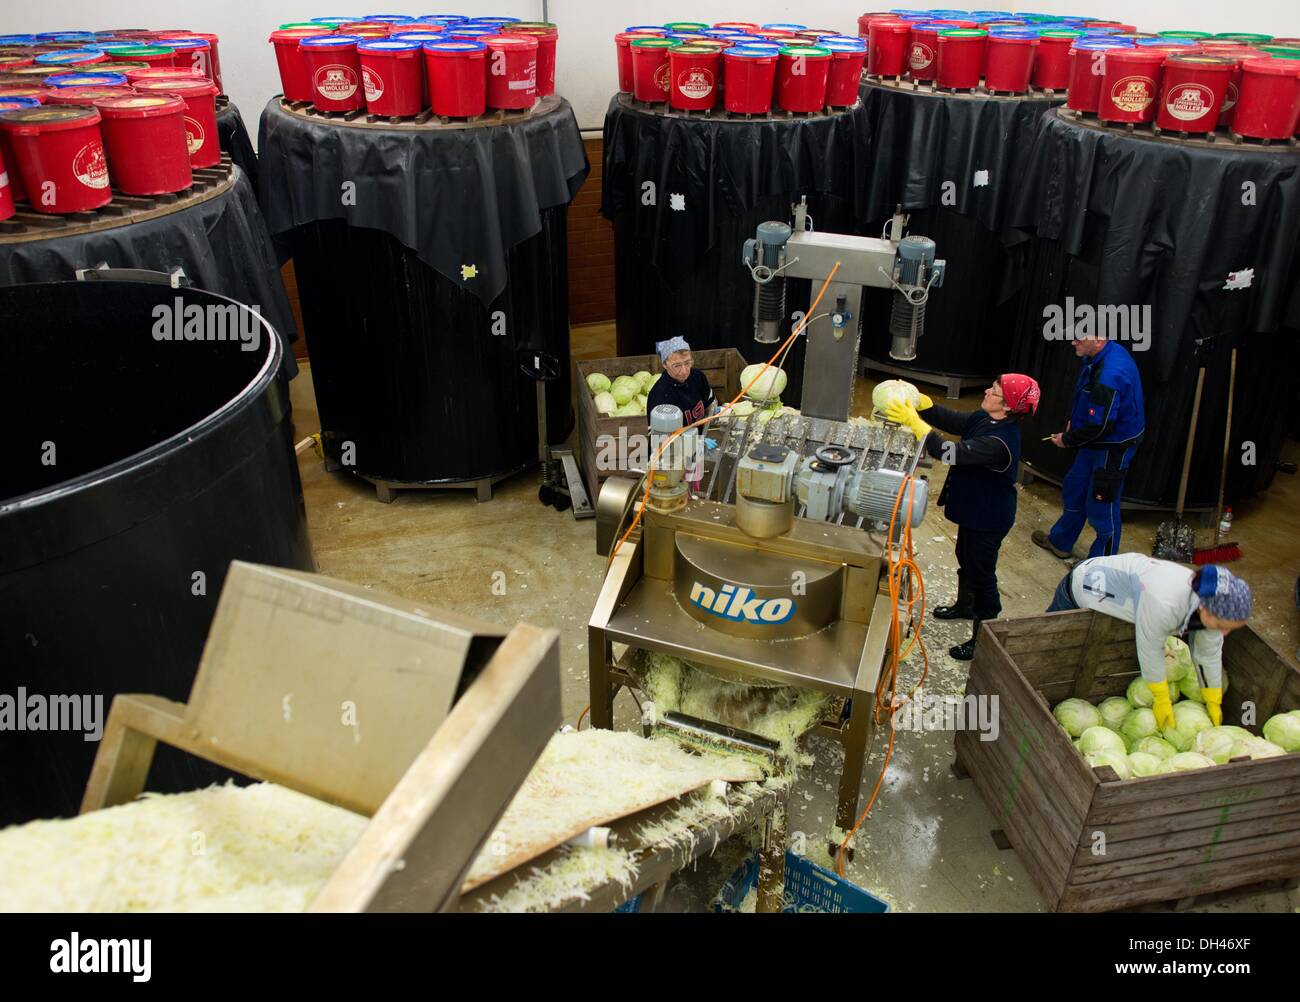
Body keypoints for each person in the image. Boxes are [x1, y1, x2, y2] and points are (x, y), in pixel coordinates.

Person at [886, 374, 1042, 661]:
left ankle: (984, 638)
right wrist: (924, 404)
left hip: (989, 517)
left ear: (1007, 406)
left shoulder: (1000, 441)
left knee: (982, 573)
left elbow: (949, 452)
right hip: (975, 510)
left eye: (994, 390)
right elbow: (955, 421)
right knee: (965, 556)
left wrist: (918, 425)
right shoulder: (987, 418)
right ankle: (964, 606)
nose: (987, 389)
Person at [1046, 555, 1252, 728]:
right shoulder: (1164, 602)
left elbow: (1208, 654)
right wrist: (1161, 698)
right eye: (1223, 625)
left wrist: (1213, 699)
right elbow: (1150, 649)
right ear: (1206, 608)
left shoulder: (1209, 606)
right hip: (1085, 588)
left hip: (1120, 605)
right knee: (1051, 643)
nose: (1224, 632)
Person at [1032, 333, 1145, 561]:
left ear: (1099, 338)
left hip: (1112, 447)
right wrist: (1076, 422)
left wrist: (1069, 439)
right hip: (1093, 441)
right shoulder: (1096, 357)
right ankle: (1060, 542)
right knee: (1075, 489)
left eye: (1079, 338)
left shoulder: (1110, 376)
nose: (1073, 342)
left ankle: (1100, 565)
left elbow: (1101, 426)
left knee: (1102, 504)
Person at [646, 337, 717, 423]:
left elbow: (711, 405)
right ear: (664, 364)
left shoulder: (697, 376)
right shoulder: (659, 396)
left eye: (687, 363)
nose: (684, 371)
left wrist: (717, 415)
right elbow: (659, 436)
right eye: (677, 365)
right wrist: (696, 437)